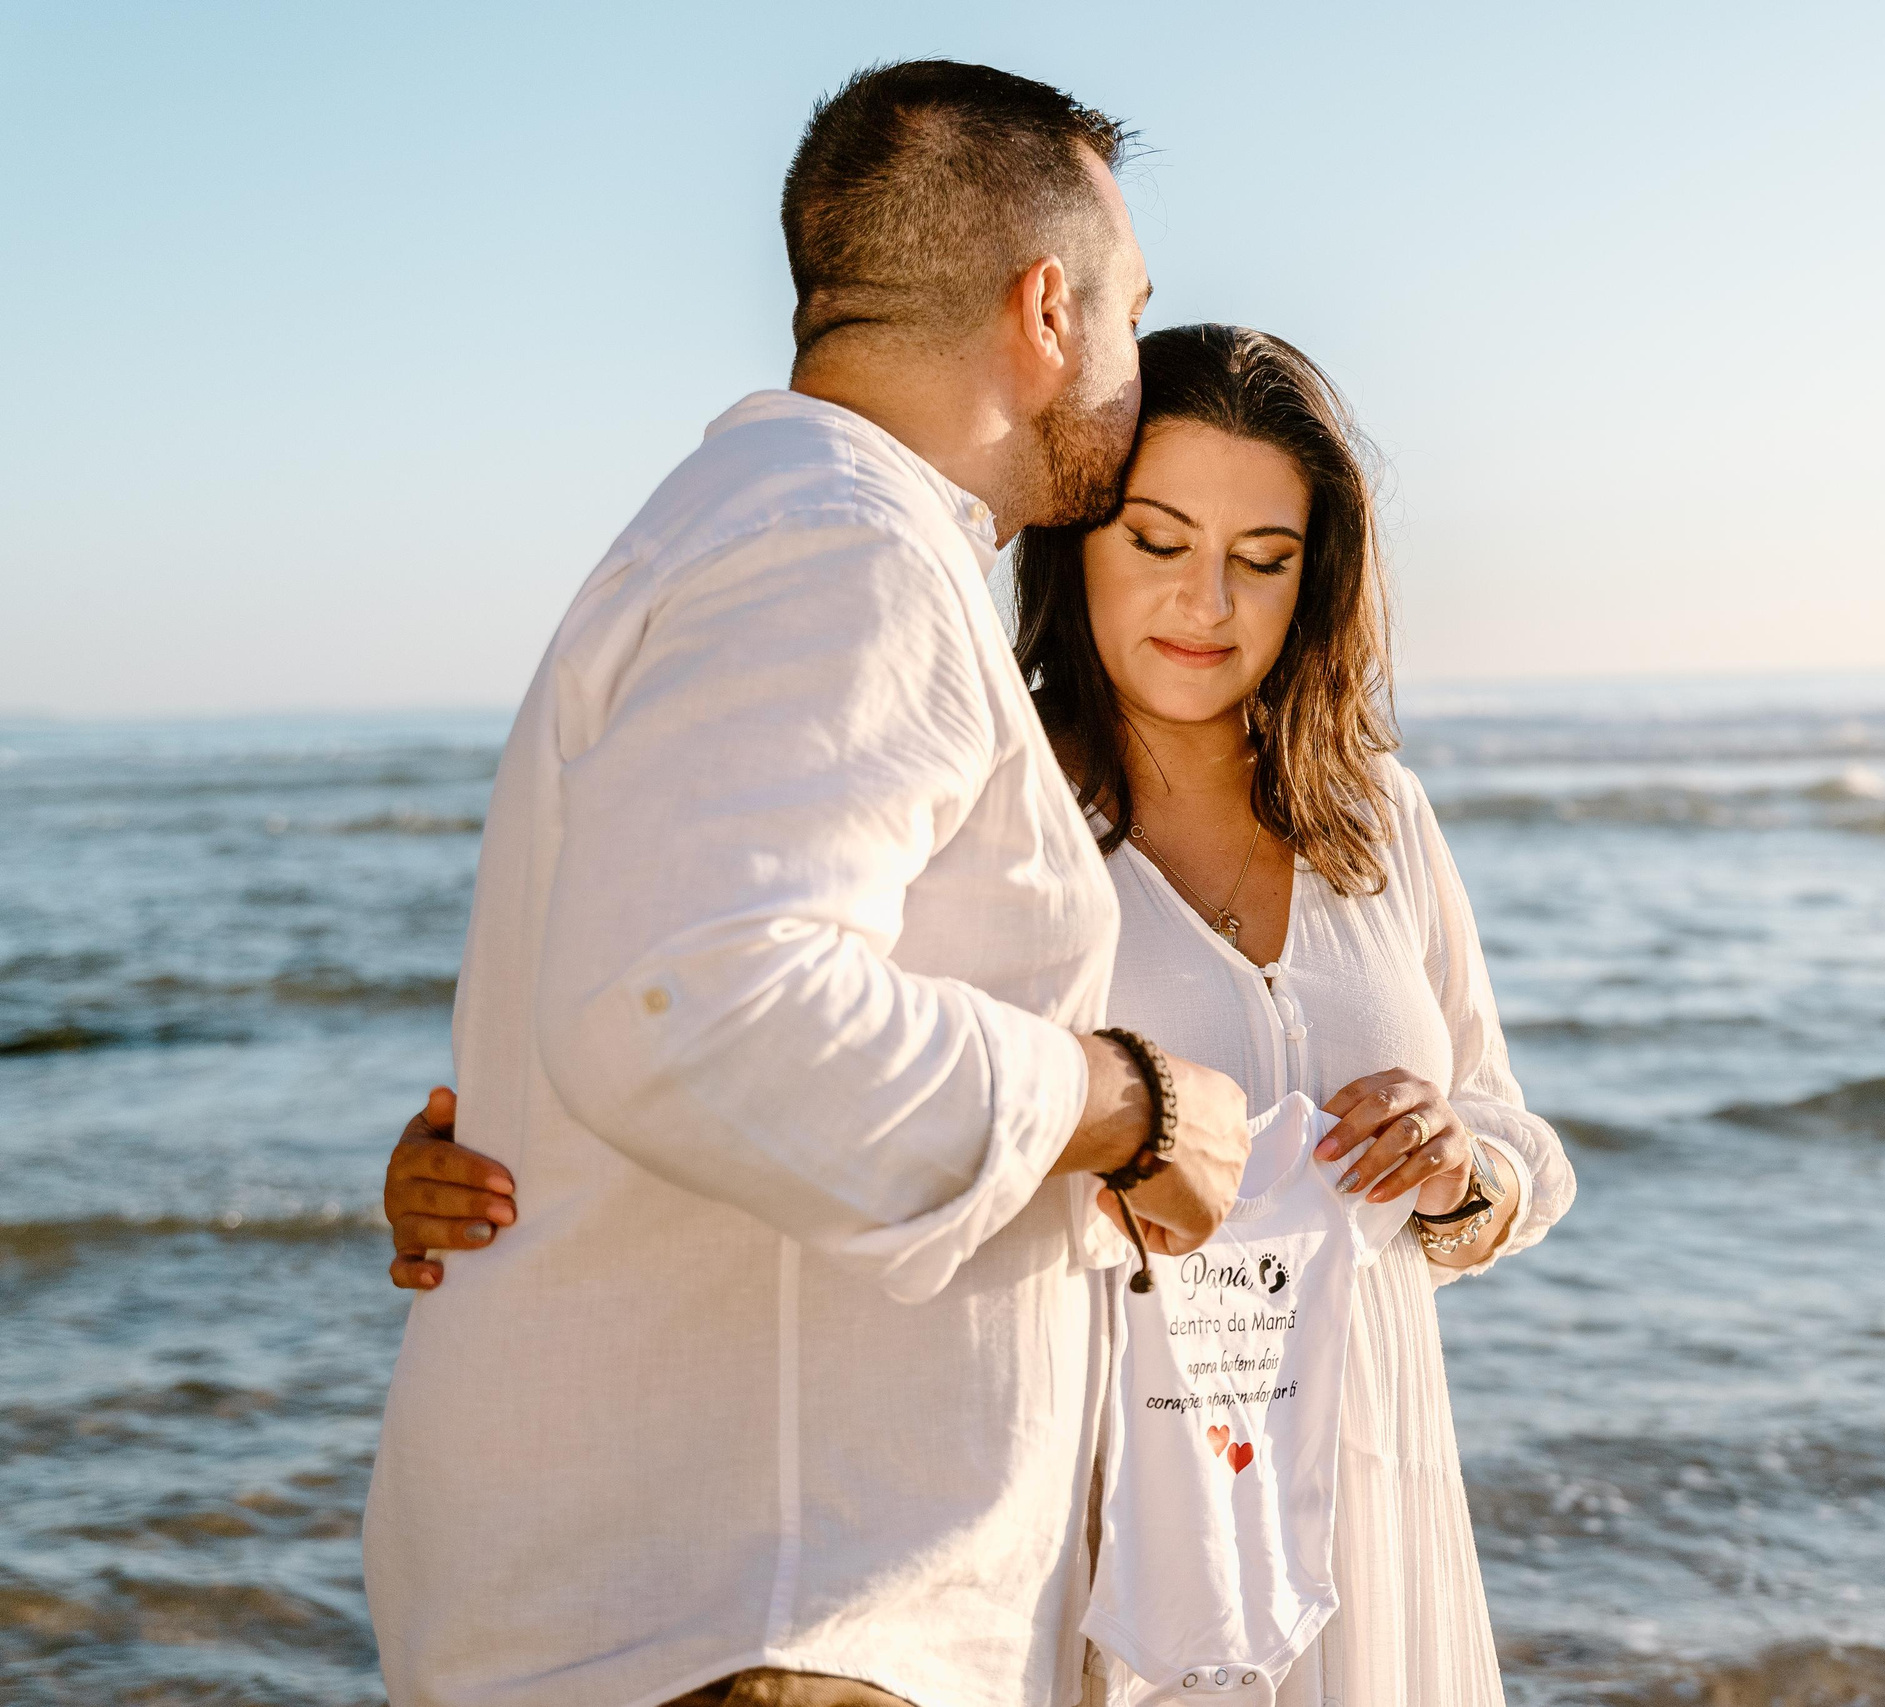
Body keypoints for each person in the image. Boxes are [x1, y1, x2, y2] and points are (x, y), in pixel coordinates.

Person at [384, 325, 1579, 1706]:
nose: (1208, 603)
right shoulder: (993, 808)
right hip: (1099, 1504)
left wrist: (1458, 1172)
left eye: (1264, 558)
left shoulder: (1382, 821)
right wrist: (521, 1166)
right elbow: (779, 1055)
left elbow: (1509, 1142)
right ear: (1074, 540)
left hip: (1364, 1477)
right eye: (1157, 541)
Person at [361, 61, 1261, 1707]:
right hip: (772, 1634)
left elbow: (642, 995)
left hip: (731, 1615)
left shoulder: (750, 530)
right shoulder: (838, 552)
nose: (1133, 356)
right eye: (1133, 309)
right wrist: (1121, 1103)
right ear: (1047, 308)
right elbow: (703, 1005)